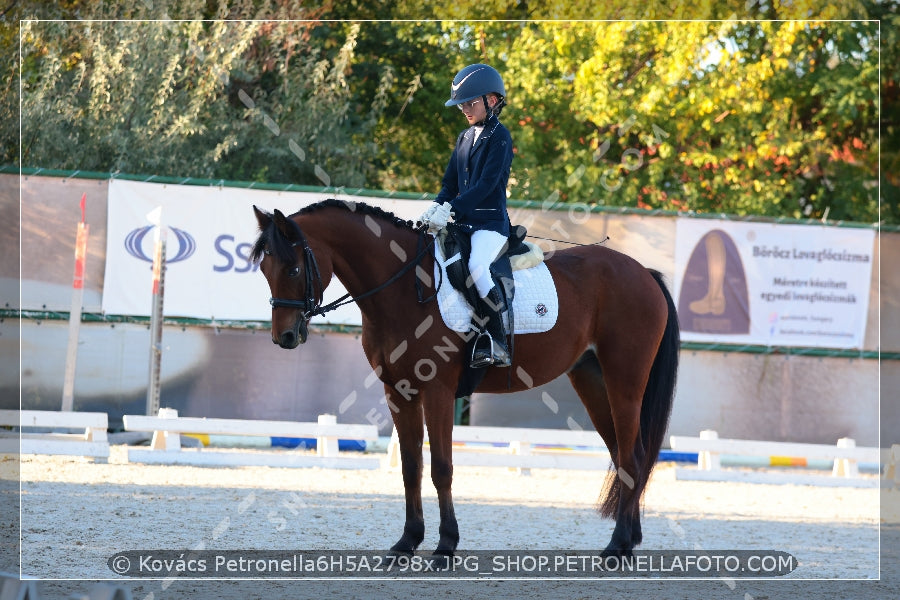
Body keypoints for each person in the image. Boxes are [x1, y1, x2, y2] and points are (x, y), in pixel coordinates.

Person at [420, 63, 514, 368]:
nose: (465, 109)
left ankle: (497, 340)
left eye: (470, 102)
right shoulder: (464, 138)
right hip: (462, 224)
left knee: (475, 266)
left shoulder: (500, 137)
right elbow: (450, 184)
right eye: (462, 104)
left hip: (489, 224)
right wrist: (436, 207)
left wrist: (452, 209)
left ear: (491, 99)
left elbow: (487, 185)